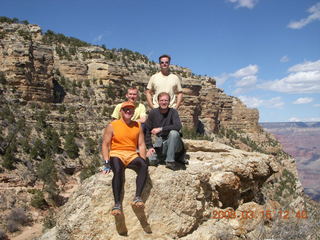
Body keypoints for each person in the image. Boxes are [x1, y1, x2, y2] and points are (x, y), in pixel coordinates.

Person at [102, 101, 148, 216]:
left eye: (131, 109)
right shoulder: (112, 125)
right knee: (118, 171)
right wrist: (107, 162)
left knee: (143, 166)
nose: (128, 111)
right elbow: (105, 144)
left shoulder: (137, 126)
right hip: (117, 153)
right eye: (126, 109)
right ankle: (117, 205)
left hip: (131, 154)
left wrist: (143, 160)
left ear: (133, 112)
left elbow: (141, 144)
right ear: (121, 111)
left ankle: (137, 197)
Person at [145, 92, 187, 170]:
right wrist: (150, 147)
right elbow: (147, 130)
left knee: (174, 133)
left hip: (175, 144)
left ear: (169, 102)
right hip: (161, 144)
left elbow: (178, 126)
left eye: (166, 100)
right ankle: (162, 159)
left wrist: (161, 129)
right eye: (161, 100)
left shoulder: (173, 112)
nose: (163, 102)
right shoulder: (153, 113)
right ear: (158, 101)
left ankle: (170, 161)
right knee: (150, 161)